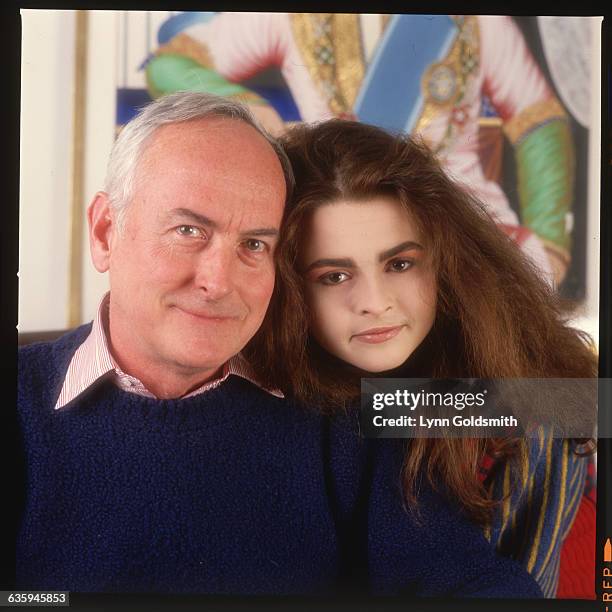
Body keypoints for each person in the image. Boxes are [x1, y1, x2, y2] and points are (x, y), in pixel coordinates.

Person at [16, 91, 541, 597]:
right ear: (107, 232)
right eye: (188, 231)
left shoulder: (360, 413)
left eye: (253, 244)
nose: (219, 282)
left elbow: (467, 577)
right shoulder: (20, 402)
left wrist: (555, 409)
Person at [245, 118, 597, 597]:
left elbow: (573, 404)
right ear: (290, 287)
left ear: (446, 261)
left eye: (400, 264)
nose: (374, 301)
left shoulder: (534, 398)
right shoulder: (270, 396)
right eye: (334, 276)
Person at [145, 13, 575, 286]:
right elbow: (169, 65)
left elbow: (538, 120)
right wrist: (255, 111)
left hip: (466, 238)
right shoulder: (290, 18)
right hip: (334, 247)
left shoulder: (478, 21)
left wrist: (551, 241)